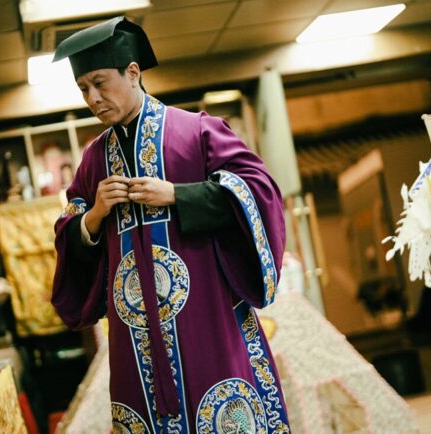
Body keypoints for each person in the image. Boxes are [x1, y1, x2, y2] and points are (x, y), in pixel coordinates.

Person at [51, 16, 291, 433]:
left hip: (208, 320)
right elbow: (69, 231)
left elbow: (259, 190)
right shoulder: (93, 161)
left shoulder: (196, 131)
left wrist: (178, 195)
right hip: (134, 343)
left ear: (132, 73)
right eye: (83, 88)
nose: (92, 98)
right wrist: (93, 217)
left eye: (100, 83)